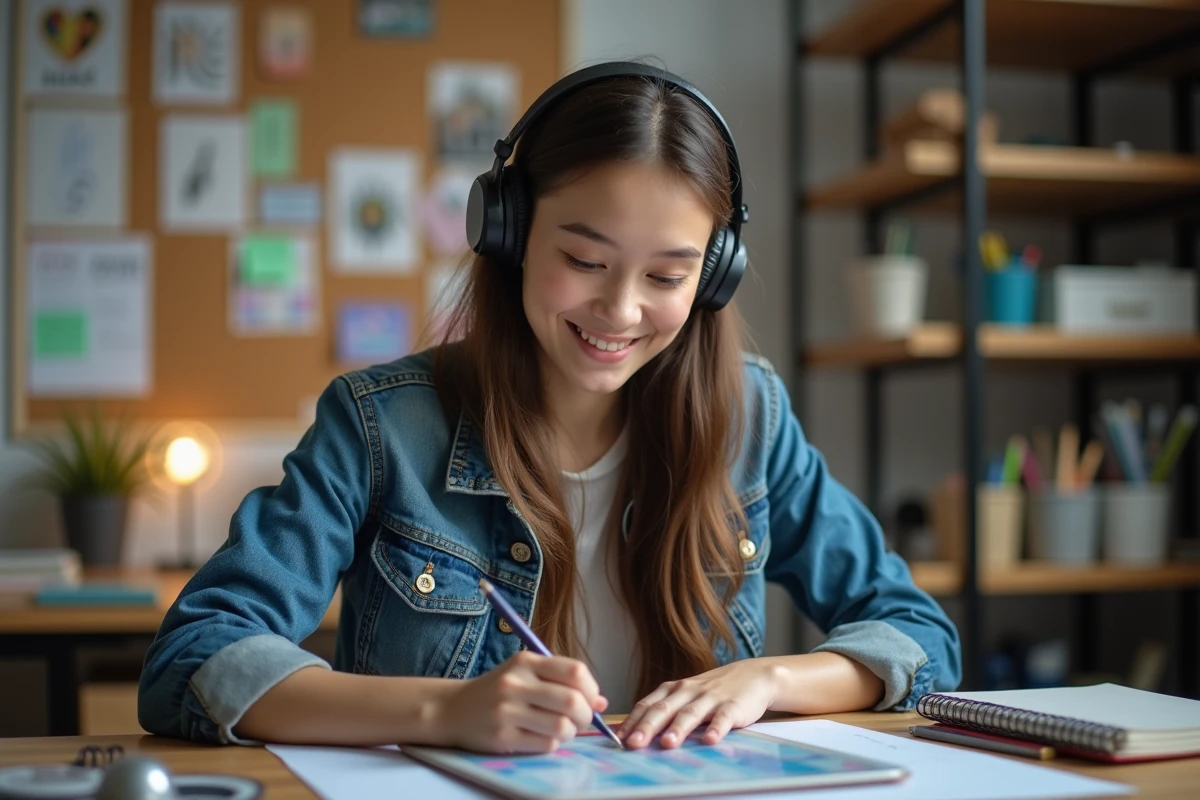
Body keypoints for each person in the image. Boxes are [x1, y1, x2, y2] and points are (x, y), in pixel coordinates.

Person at [138, 62, 960, 754]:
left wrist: (770, 679)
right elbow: (195, 655)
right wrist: (443, 712)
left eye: (668, 277)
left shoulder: (752, 416)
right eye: (584, 259)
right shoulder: (379, 424)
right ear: (509, 231)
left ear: (712, 278)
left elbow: (918, 638)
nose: (621, 310)